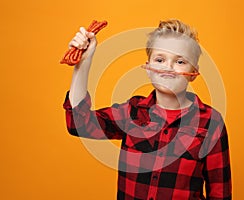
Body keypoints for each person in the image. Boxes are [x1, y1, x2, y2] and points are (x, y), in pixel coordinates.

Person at [63, 19, 232, 200]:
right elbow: (78, 123)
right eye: (160, 59)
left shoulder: (210, 122)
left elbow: (220, 194)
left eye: (180, 61)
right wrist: (84, 61)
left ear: (194, 73)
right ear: (148, 68)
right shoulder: (131, 112)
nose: (168, 67)